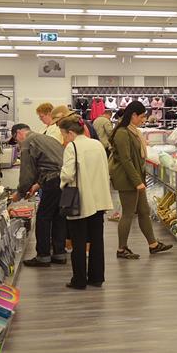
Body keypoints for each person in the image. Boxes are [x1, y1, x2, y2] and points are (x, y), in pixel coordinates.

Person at [109, 101, 172, 259]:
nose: (144, 120)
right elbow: (126, 160)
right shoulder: (122, 132)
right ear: (133, 115)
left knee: (144, 211)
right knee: (128, 214)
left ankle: (153, 244)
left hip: (136, 177)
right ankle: (121, 249)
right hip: (128, 179)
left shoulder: (133, 131)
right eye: (142, 116)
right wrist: (137, 182)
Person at [58, 115, 113, 290]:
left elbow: (67, 174)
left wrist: (62, 181)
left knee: (79, 241)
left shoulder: (72, 147)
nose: (64, 139)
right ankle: (97, 277)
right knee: (97, 240)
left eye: (64, 135)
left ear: (71, 133)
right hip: (99, 198)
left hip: (81, 199)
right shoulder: (97, 144)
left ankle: (79, 279)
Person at [14, 124, 68, 266]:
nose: (17, 143)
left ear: (19, 133)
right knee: (58, 216)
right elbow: (50, 163)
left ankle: (43, 256)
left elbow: (27, 173)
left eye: (15, 139)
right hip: (64, 179)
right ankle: (59, 254)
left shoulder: (27, 142)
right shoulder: (45, 138)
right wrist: (37, 185)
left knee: (43, 217)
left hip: (53, 180)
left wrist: (19, 193)